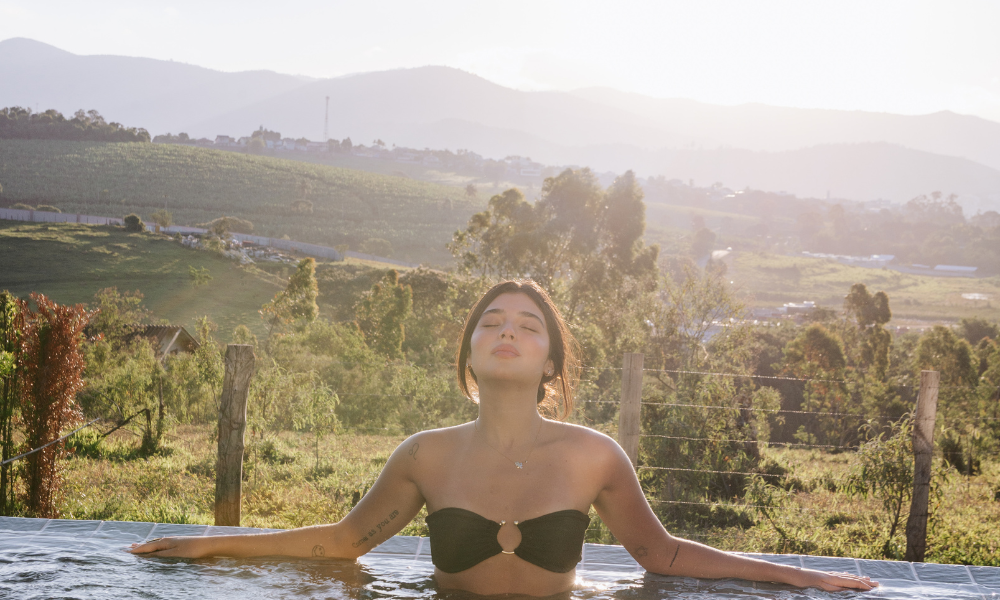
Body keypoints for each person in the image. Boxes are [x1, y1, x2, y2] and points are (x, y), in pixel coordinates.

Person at [130, 280, 878, 596]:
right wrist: (204, 545)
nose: (507, 332)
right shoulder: (427, 454)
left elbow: (665, 557)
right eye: (491, 323)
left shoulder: (593, 456)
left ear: (552, 360)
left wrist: (798, 579)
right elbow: (339, 543)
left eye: (528, 326)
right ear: (468, 356)